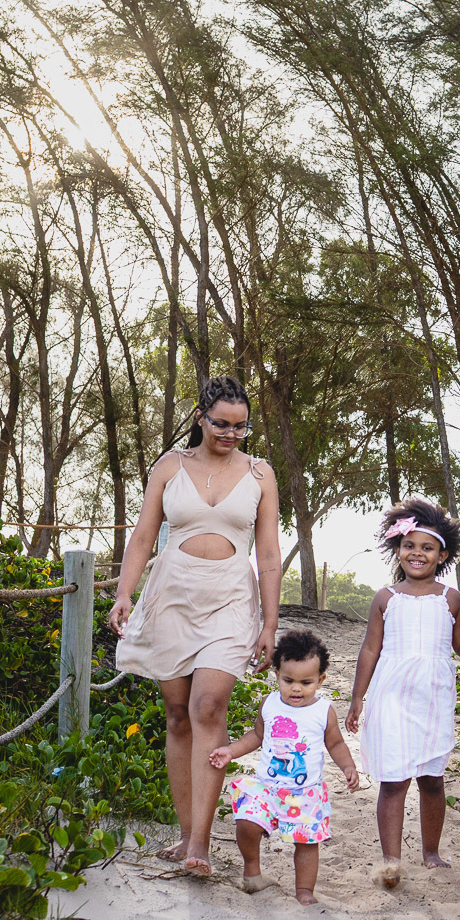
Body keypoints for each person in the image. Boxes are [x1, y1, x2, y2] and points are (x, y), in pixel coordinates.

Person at [109, 374, 281, 878]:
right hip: (172, 596)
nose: (231, 434)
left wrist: (269, 623)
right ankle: (184, 831)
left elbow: (268, 553)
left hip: (230, 597)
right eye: (221, 424)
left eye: (241, 427)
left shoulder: (260, 475)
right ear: (201, 418)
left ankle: (201, 843)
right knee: (178, 714)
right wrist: (124, 592)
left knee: (209, 705)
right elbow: (143, 536)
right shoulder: (169, 467)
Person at [345, 498, 460, 887]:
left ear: (442, 555)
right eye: (410, 546)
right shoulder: (386, 597)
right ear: (397, 549)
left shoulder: (449, 598)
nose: (417, 553)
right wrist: (358, 697)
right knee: (393, 781)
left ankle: (431, 852)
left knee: (431, 779)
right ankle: (390, 860)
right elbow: (370, 649)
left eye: (427, 547)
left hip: (433, 698)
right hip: (391, 695)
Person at [209, 629, 359, 905]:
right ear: (277, 673)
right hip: (267, 785)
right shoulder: (270, 704)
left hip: (305, 793)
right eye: (288, 680)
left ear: (321, 680)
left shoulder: (322, 711)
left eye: (306, 682)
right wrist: (231, 751)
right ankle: (252, 872)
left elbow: (336, 744)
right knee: (246, 822)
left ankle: (304, 890)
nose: (296, 689)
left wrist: (348, 767)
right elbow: (256, 736)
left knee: (306, 843)